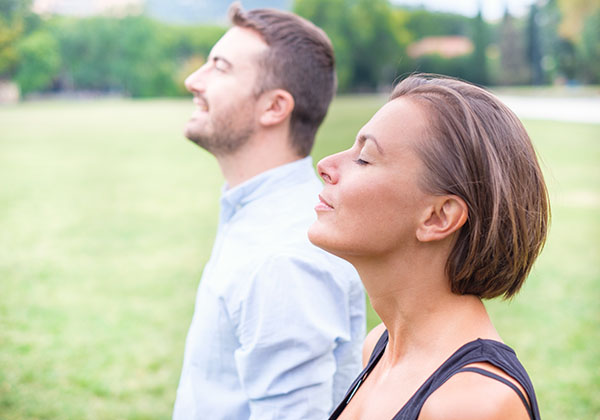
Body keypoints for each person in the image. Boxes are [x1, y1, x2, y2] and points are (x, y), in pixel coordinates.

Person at [308, 74, 549, 420]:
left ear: (438, 217)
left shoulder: (472, 404)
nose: (326, 165)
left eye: (364, 158)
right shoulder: (379, 346)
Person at [172, 3, 365, 420]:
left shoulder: (285, 254)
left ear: (275, 107)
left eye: (219, 67)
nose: (193, 80)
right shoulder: (260, 220)